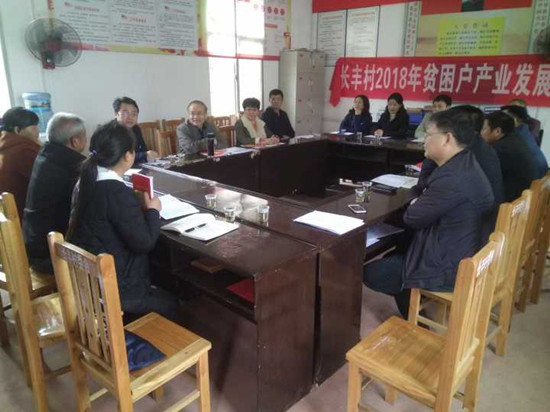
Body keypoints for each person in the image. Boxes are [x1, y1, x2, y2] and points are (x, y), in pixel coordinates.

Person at [364, 109, 494, 318]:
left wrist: (418, 202)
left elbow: (412, 217)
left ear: (447, 139)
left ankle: (416, 322)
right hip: (459, 249)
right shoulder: (464, 162)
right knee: (396, 252)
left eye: (429, 134)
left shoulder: (453, 178)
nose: (424, 140)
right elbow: (423, 191)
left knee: (372, 273)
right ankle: (412, 311)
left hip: (449, 264)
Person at [68, 122, 178, 319]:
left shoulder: (85, 180)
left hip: (90, 280)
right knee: (172, 304)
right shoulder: (115, 192)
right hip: (117, 289)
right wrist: (153, 210)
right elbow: (144, 242)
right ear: (128, 156)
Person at [416, 105, 503, 243]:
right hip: (481, 229)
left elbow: (423, 188)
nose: (426, 140)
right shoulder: (479, 148)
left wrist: (432, 154)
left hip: (463, 238)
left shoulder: (463, 158)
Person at [23, 113, 87, 273]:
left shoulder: (45, 155)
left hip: (35, 243)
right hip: (51, 254)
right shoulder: (73, 167)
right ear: (75, 141)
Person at [481, 111, 541, 202]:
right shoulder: (515, 138)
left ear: (497, 131)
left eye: (484, 129)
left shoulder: (501, 148)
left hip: (513, 200)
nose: (481, 133)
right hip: (525, 196)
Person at [0, 107, 41, 218]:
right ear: (17, 130)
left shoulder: (6, 146)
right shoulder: (23, 151)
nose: (38, 131)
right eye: (34, 127)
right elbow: (47, 179)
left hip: (8, 214)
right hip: (22, 216)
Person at [501, 105, 548, 178]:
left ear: (514, 120)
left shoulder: (515, 137)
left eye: (502, 118)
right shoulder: (523, 130)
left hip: (532, 179)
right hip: (539, 175)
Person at [113, 96, 159, 165]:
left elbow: (143, 149)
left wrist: (149, 154)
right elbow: (119, 158)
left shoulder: (135, 129)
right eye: (126, 113)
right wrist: (144, 156)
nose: (130, 117)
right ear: (116, 114)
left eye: (134, 114)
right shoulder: (110, 131)